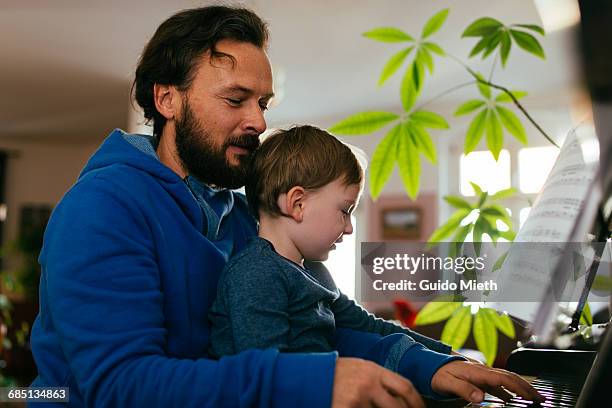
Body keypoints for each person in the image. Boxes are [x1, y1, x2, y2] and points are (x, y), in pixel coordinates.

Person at [29, 5, 543, 407]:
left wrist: (425, 366)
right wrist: (311, 382)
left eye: (263, 104)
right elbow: (122, 388)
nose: (257, 120)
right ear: (167, 100)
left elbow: (319, 323)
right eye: (236, 100)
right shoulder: (101, 210)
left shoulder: (241, 214)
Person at [208, 125, 469, 399]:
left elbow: (368, 325)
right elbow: (271, 376)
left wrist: (446, 356)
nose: (349, 228)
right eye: (345, 211)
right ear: (297, 203)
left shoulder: (314, 270)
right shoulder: (256, 273)